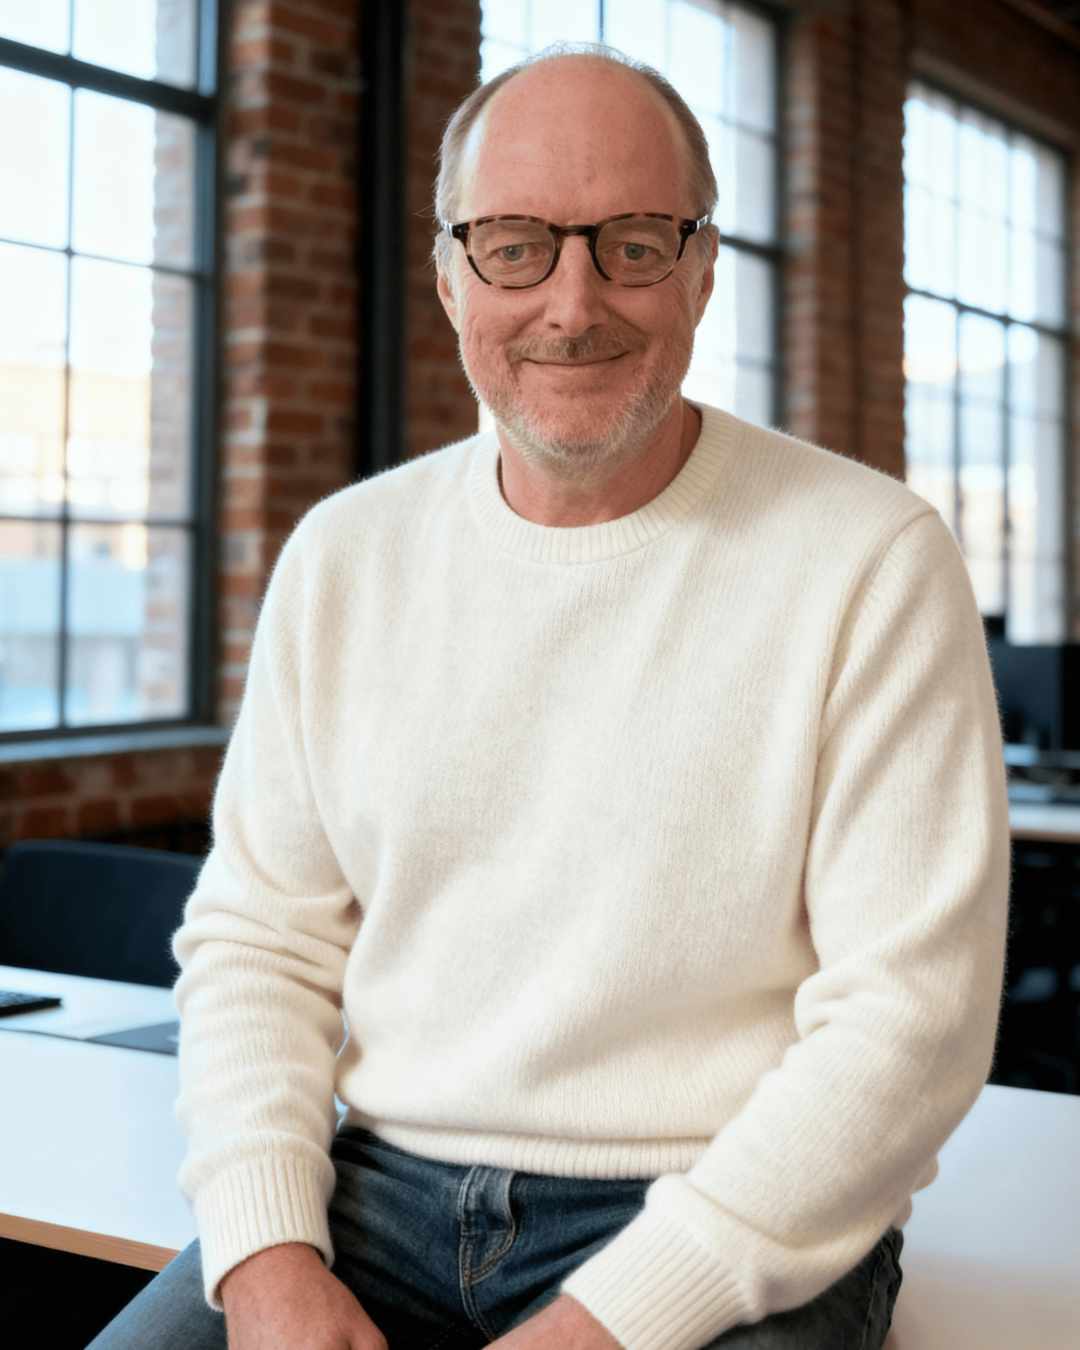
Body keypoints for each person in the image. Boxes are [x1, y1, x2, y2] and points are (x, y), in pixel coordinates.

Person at [90, 41, 1010, 1350]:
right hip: (376, 1198)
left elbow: (907, 1023)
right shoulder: (347, 558)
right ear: (451, 271)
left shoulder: (872, 558)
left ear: (701, 267)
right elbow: (260, 943)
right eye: (516, 244)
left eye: (633, 243)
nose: (573, 304)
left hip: (724, 1205)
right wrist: (267, 1252)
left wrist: (615, 1316)